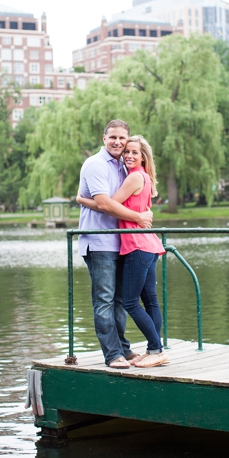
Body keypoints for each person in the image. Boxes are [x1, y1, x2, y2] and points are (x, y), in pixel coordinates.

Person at [78, 135, 167, 368]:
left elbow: (107, 205)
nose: (128, 155)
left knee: (130, 302)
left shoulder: (134, 177)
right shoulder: (144, 177)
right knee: (150, 301)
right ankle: (154, 349)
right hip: (148, 245)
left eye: (134, 152)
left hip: (137, 245)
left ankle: (156, 349)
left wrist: (81, 199)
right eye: (127, 151)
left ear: (143, 156)